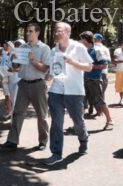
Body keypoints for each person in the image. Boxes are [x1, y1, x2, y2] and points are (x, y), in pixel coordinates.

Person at [43, 22, 93, 165]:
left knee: (78, 122)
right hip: (56, 91)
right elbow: (52, 71)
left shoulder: (78, 47)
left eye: (59, 30)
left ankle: (83, 140)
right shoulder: (53, 51)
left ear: (68, 32)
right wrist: (48, 79)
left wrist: (73, 62)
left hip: (74, 91)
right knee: (57, 123)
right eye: (55, 30)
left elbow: (89, 67)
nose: (56, 33)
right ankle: (56, 153)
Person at [0, 23, 51, 151]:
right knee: (17, 113)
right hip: (23, 84)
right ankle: (12, 141)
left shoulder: (44, 48)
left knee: (42, 115)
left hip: (38, 84)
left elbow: (45, 68)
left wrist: (32, 60)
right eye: (27, 31)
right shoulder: (22, 47)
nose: (28, 33)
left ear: (37, 33)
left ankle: (43, 141)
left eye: (30, 31)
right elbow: (16, 68)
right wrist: (15, 60)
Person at [81, 31, 114, 130]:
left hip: (95, 80)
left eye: (82, 39)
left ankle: (110, 121)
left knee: (99, 101)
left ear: (86, 40)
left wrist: (91, 67)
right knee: (81, 102)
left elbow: (104, 65)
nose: (81, 41)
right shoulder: (84, 50)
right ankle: (78, 125)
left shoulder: (97, 51)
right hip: (84, 79)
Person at [94, 34, 111, 98]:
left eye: (95, 39)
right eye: (94, 39)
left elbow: (109, 60)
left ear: (100, 39)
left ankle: (102, 104)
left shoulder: (105, 49)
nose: (94, 40)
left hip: (103, 71)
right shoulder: (91, 47)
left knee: (102, 90)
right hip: (92, 71)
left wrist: (101, 61)